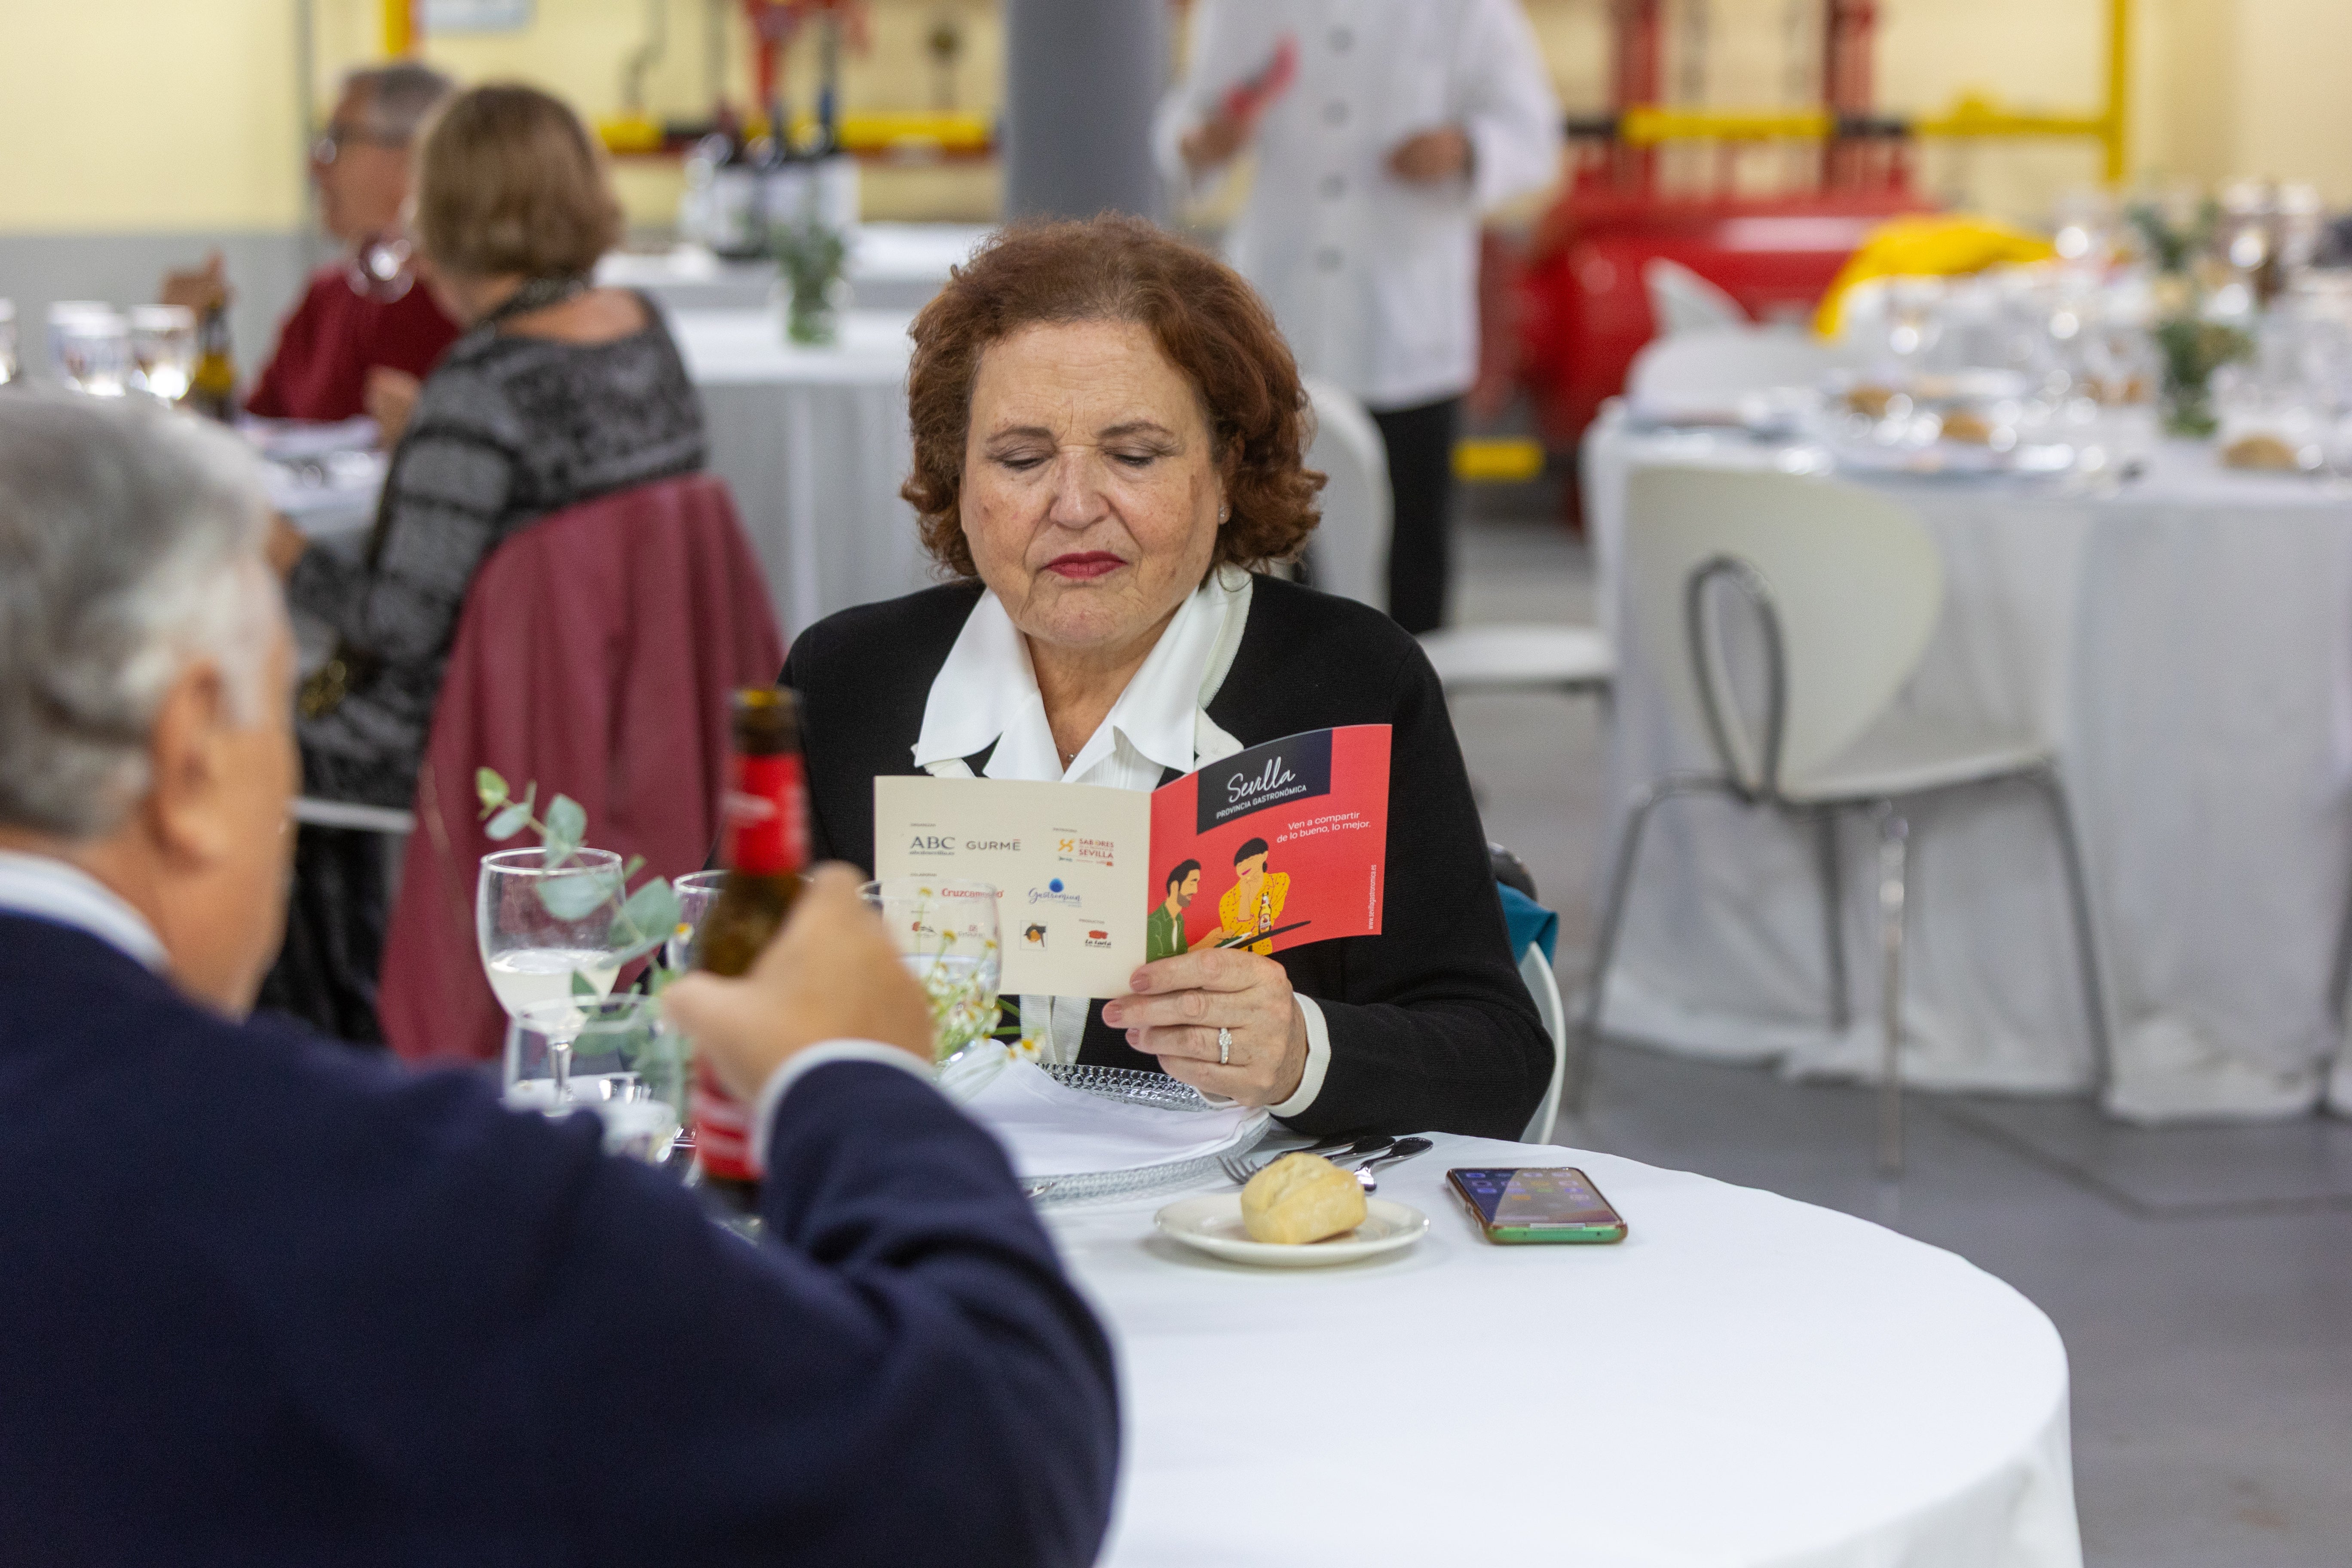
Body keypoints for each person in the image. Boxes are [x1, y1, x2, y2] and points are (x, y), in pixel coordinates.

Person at [0, 395, 1118, 1561]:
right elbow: (985, 1476)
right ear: (187, 760)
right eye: (276, 716)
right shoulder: (378, 1198)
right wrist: (854, 1076)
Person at [784, 217, 1550, 1140]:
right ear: (956, 479)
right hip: (926, 1232)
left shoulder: (1350, 684)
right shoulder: (848, 682)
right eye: (1022, 459)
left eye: (1135, 456)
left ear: (1228, 472)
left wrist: (1302, 1049)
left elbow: (1500, 1063)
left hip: (1243, 1259)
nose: (1073, 508)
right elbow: (709, 984)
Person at [265, 83, 705, 1037]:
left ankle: (332, 1036)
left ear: (452, 209)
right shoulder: (642, 332)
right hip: (631, 722)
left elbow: (401, 621)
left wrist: (282, 549)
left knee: (248, 745)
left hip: (488, 738)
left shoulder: (483, 384)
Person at [1154, 0, 1562, 634]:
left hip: (1407, 329)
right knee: (1276, 548)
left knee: (1411, 553)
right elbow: (1189, 115)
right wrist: (1205, 141)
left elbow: (1533, 133)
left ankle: (1410, 716)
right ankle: (1298, 715)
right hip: (1282, 322)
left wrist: (1466, 150)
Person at [165, 62, 464, 435]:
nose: (315, 166)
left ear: (412, 154)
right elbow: (251, 435)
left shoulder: (462, 300)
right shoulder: (328, 294)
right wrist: (183, 342)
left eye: (337, 140)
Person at [1218, 837, 1288, 956]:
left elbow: (1271, 920)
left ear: (1264, 856)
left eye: (1250, 860)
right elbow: (1235, 936)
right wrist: (1245, 897)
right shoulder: (1228, 899)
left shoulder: (1279, 881)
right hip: (1236, 959)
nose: (1244, 867)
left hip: (1272, 953)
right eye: (1240, 864)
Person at [1148, 859, 1202, 962]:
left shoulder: (1179, 919)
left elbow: (1182, 955)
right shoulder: (1154, 923)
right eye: (1192, 883)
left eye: (1197, 883)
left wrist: (1211, 941)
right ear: (1175, 886)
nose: (1196, 891)